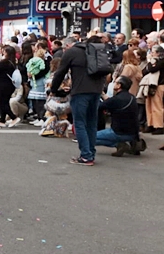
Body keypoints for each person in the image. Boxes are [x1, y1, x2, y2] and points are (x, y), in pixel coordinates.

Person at [50, 35, 108, 166]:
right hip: (96, 91)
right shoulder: (97, 51)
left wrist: (54, 89)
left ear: (68, 45)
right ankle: (90, 153)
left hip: (80, 91)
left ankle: (86, 156)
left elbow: (60, 72)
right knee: (92, 123)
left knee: (80, 123)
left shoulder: (72, 52)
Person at [97, 76, 141, 156]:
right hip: (133, 133)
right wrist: (102, 94)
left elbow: (100, 106)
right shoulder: (132, 97)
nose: (113, 84)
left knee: (88, 138)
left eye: (115, 82)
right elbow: (110, 102)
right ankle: (127, 143)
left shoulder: (117, 99)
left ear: (119, 85)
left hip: (118, 132)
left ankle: (119, 144)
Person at [0, 45, 20, 127]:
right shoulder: (13, 62)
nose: (2, 52)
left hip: (2, 85)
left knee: (1, 103)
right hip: (9, 85)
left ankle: (13, 117)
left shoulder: (5, 62)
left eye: (4, 51)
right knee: (4, 102)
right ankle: (2, 120)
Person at [141, 45, 164, 135]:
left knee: (157, 106)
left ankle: (159, 126)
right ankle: (151, 124)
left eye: (153, 52)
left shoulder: (161, 61)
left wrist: (150, 61)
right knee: (149, 105)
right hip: (150, 85)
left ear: (158, 53)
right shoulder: (154, 61)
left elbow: (152, 69)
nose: (151, 54)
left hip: (159, 85)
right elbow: (144, 71)